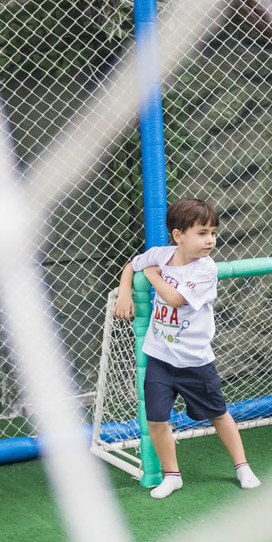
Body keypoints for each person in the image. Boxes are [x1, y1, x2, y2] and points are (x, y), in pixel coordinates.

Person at [113, 197, 260, 498]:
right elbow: (131, 265)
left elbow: (175, 298)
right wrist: (124, 293)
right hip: (160, 359)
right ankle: (172, 475)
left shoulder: (206, 270)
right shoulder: (160, 254)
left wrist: (152, 275)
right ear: (179, 235)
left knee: (218, 413)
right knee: (156, 419)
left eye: (213, 233)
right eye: (202, 233)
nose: (210, 240)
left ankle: (242, 466)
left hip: (195, 362)